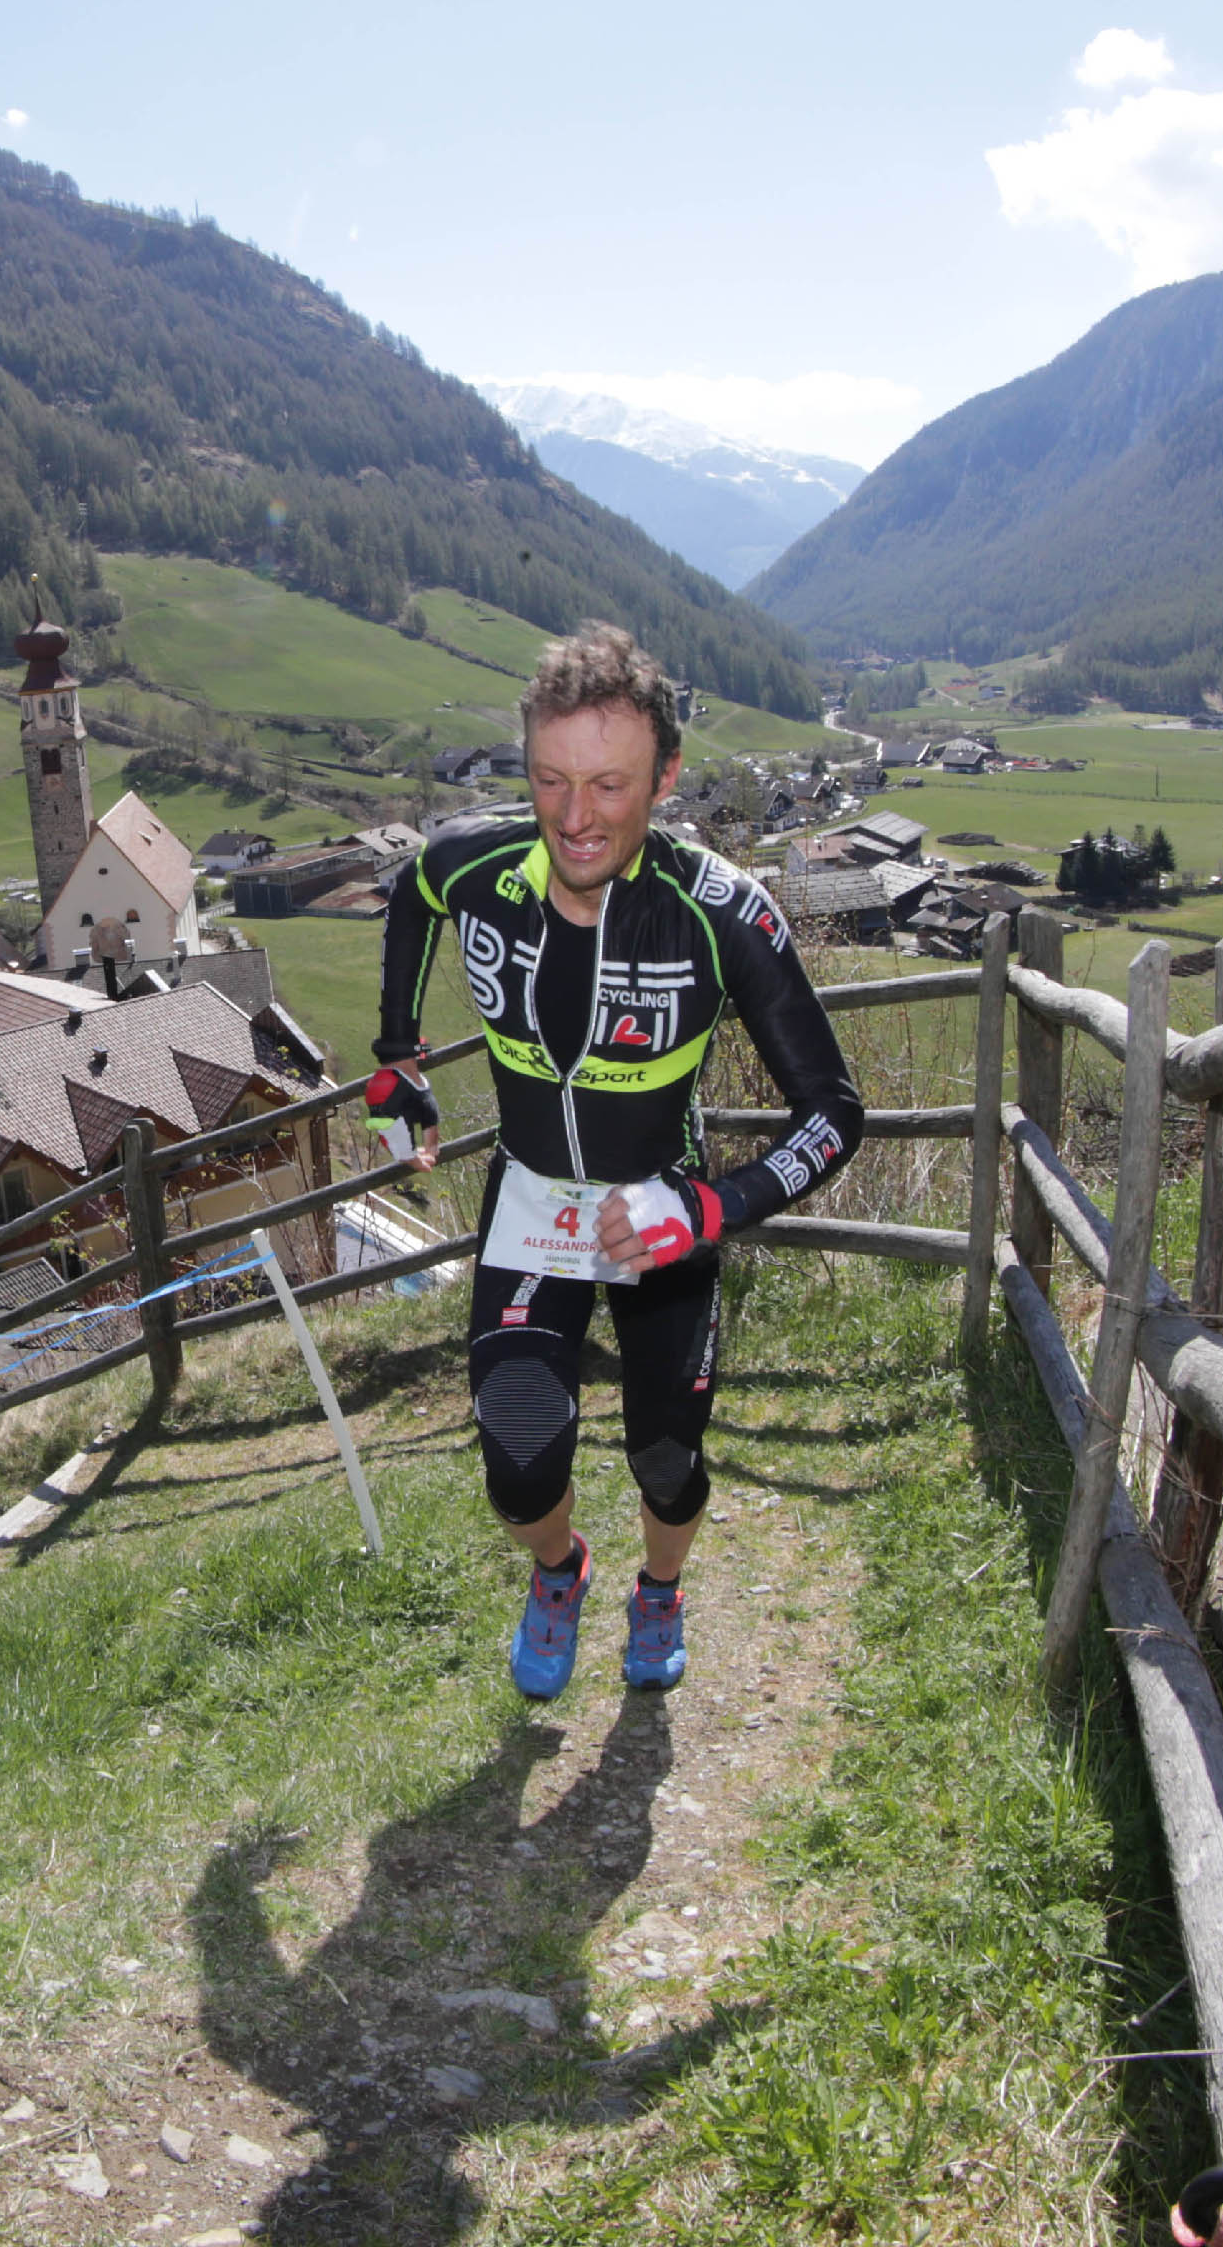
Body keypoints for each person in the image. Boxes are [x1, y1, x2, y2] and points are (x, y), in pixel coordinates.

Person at [374, 623, 863, 1698]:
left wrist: (710, 1207)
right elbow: (413, 894)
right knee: (515, 1447)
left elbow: (834, 1112)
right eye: (551, 779)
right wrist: (395, 1056)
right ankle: (560, 1570)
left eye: (609, 783)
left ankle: (659, 1587)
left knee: (668, 1459)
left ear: (667, 777)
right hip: (530, 1204)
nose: (576, 816)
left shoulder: (721, 910)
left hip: (663, 1216)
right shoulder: (477, 860)